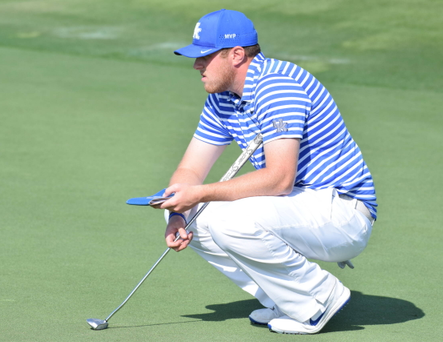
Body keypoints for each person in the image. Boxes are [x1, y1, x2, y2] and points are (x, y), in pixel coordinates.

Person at [152, 9, 377, 335]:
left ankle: (317, 299)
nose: (196, 65)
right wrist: (177, 211)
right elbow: (190, 168)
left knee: (229, 218)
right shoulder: (222, 98)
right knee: (189, 212)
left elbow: (279, 179)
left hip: (342, 211)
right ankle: (285, 299)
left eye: (204, 56)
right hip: (299, 205)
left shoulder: (277, 86)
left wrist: (199, 194)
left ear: (236, 55)